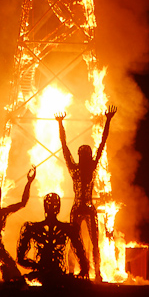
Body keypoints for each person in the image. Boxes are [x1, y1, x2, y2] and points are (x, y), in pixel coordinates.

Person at [55, 105, 117, 282]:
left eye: (84, 153)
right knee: (76, 242)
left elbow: (101, 144)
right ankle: (76, 270)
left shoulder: (84, 169)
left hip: (85, 208)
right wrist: (60, 124)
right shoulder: (82, 169)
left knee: (91, 242)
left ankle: (94, 272)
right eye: (83, 153)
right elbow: (65, 146)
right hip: (83, 208)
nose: (83, 156)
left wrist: (108, 122)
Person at [17, 192, 89, 287]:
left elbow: (81, 255)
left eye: (54, 205)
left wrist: (83, 270)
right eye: (50, 204)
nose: (52, 207)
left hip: (57, 275)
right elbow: (20, 259)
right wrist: (39, 267)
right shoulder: (32, 228)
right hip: (43, 275)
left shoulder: (69, 229)